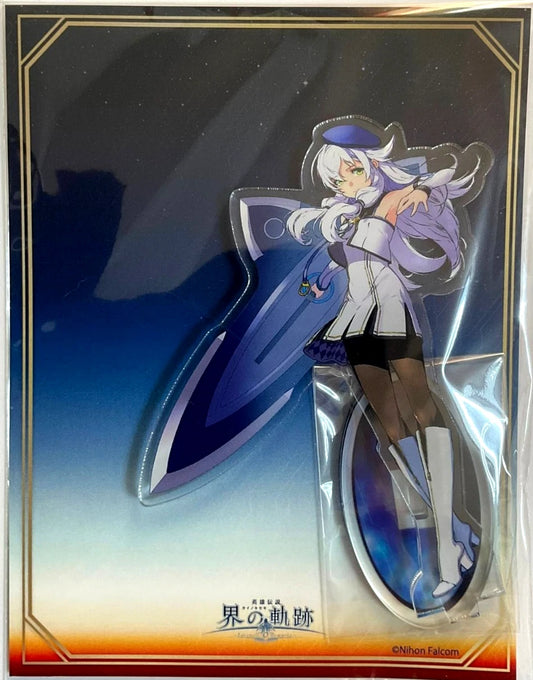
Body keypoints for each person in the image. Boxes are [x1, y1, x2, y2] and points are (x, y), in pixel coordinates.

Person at [287, 123, 481, 598]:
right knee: (389, 425)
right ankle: (454, 534)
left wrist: (422, 187)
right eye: (337, 178)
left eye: (351, 171)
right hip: (356, 318)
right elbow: (308, 235)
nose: (345, 182)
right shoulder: (338, 215)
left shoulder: (393, 199)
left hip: (393, 309)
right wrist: (319, 261)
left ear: (371, 164)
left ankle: (446, 549)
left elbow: (451, 168)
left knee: (422, 409)